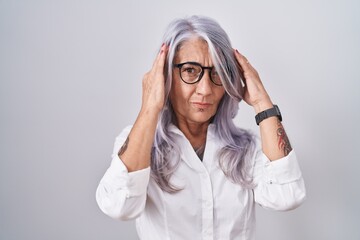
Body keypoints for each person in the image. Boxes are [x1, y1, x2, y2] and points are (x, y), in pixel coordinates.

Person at [96, 15, 306, 240]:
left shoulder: (248, 148)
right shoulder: (138, 145)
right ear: (166, 75)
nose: (205, 89)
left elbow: (287, 196)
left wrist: (262, 102)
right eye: (190, 71)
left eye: (216, 73)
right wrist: (150, 106)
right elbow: (118, 206)